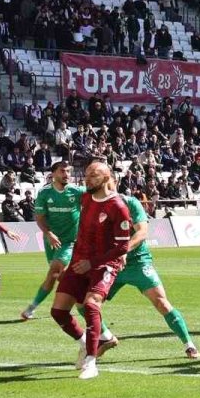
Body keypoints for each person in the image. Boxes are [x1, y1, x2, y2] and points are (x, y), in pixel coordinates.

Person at [48, 161, 131, 380]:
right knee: (58, 311)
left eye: (93, 175)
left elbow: (122, 246)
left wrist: (92, 263)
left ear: (106, 178)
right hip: (78, 262)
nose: (87, 178)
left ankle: (91, 363)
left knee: (92, 305)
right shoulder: (85, 198)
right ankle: (85, 343)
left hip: (103, 265)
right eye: (86, 175)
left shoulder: (118, 207)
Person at [104, 178, 200, 359]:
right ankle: (105, 337)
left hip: (138, 262)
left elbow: (142, 232)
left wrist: (123, 251)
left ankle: (189, 344)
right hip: (111, 264)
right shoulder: (95, 207)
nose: (104, 185)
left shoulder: (130, 203)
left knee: (162, 303)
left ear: (115, 182)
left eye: (107, 181)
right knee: (88, 303)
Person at [21, 162, 85, 321]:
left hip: (69, 242)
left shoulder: (77, 192)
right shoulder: (44, 193)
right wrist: (48, 234)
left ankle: (32, 307)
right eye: (63, 171)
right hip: (51, 241)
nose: (66, 174)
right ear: (53, 174)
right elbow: (40, 218)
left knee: (54, 272)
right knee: (61, 277)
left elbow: (98, 198)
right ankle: (82, 300)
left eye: (69, 171)